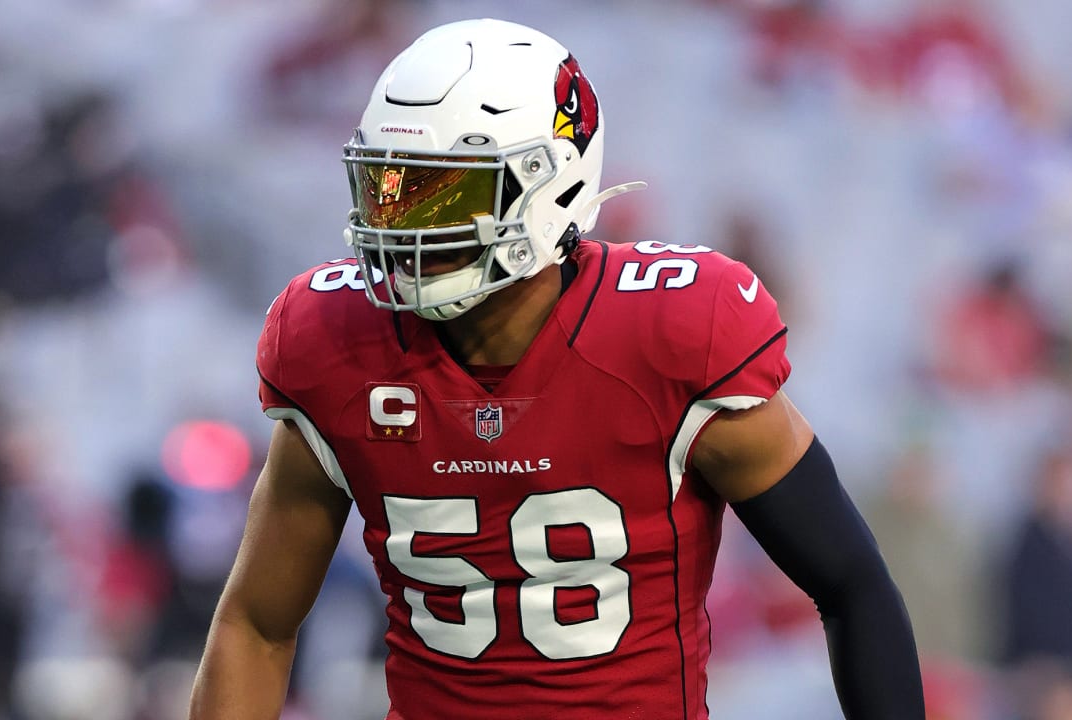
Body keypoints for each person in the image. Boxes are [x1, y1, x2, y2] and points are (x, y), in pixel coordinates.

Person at [190, 18, 924, 719]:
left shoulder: (668, 335)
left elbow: (850, 584)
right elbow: (255, 623)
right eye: (392, 188)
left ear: (551, 183)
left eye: (445, 192)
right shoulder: (335, 343)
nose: (405, 226)